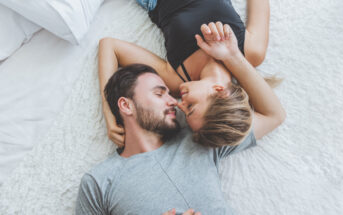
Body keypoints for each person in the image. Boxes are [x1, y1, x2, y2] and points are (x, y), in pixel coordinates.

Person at [75, 24, 284, 214]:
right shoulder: (99, 183)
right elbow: (109, 45)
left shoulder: (200, 136)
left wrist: (233, 56)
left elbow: (273, 115)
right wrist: (109, 113)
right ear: (126, 105)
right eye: (159, 94)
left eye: (169, 93)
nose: (174, 101)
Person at [98, 0, 283, 149]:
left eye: (184, 112)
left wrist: (110, 115)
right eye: (191, 107)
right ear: (219, 90)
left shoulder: (177, 79)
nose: (179, 104)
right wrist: (233, 56)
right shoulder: (250, 51)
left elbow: (109, 46)